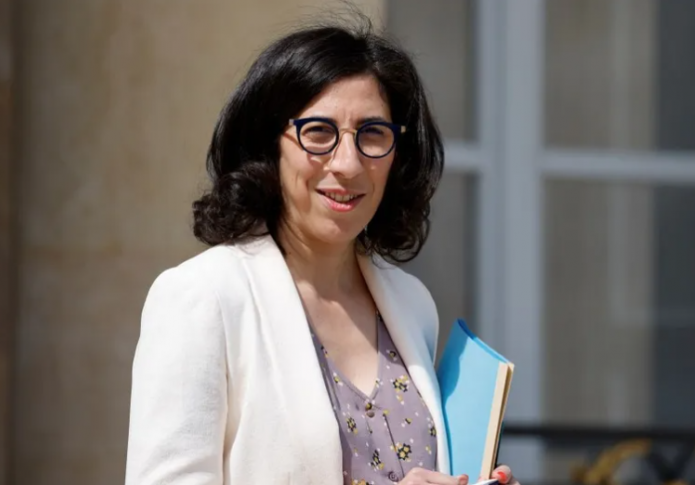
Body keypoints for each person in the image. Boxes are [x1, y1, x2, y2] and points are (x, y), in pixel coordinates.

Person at [124, 17, 520, 485]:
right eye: (318, 132)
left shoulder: (412, 304)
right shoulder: (201, 297)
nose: (348, 163)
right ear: (269, 146)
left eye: (373, 133)